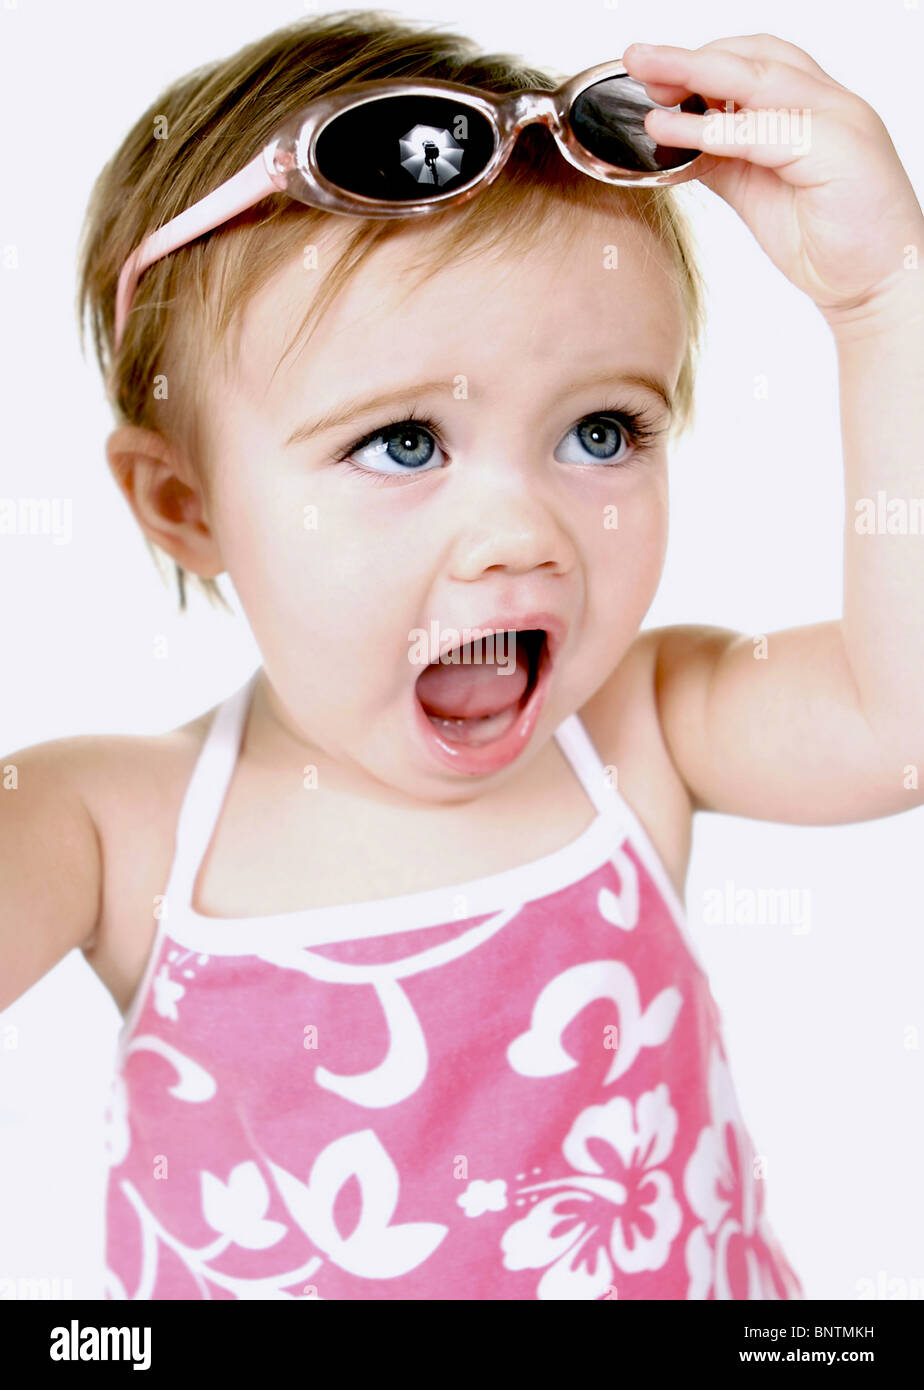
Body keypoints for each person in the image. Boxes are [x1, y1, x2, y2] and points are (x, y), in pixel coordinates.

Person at [4, 10, 922, 1299]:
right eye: (404, 444)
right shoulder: (110, 829)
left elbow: (904, 728)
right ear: (188, 506)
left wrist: (887, 301)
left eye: (603, 431)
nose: (519, 535)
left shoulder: (643, 728)